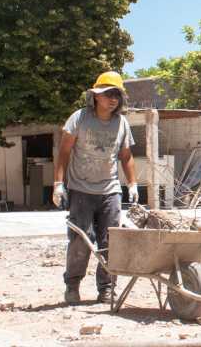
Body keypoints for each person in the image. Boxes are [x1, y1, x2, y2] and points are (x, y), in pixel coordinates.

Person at [53, 71, 140, 305]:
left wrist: (132, 184)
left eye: (117, 95)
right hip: (81, 190)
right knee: (80, 240)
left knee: (111, 241)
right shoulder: (79, 118)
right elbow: (64, 152)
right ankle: (72, 285)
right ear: (96, 96)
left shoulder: (121, 123)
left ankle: (107, 288)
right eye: (108, 94)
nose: (113, 99)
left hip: (110, 190)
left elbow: (126, 155)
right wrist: (58, 184)